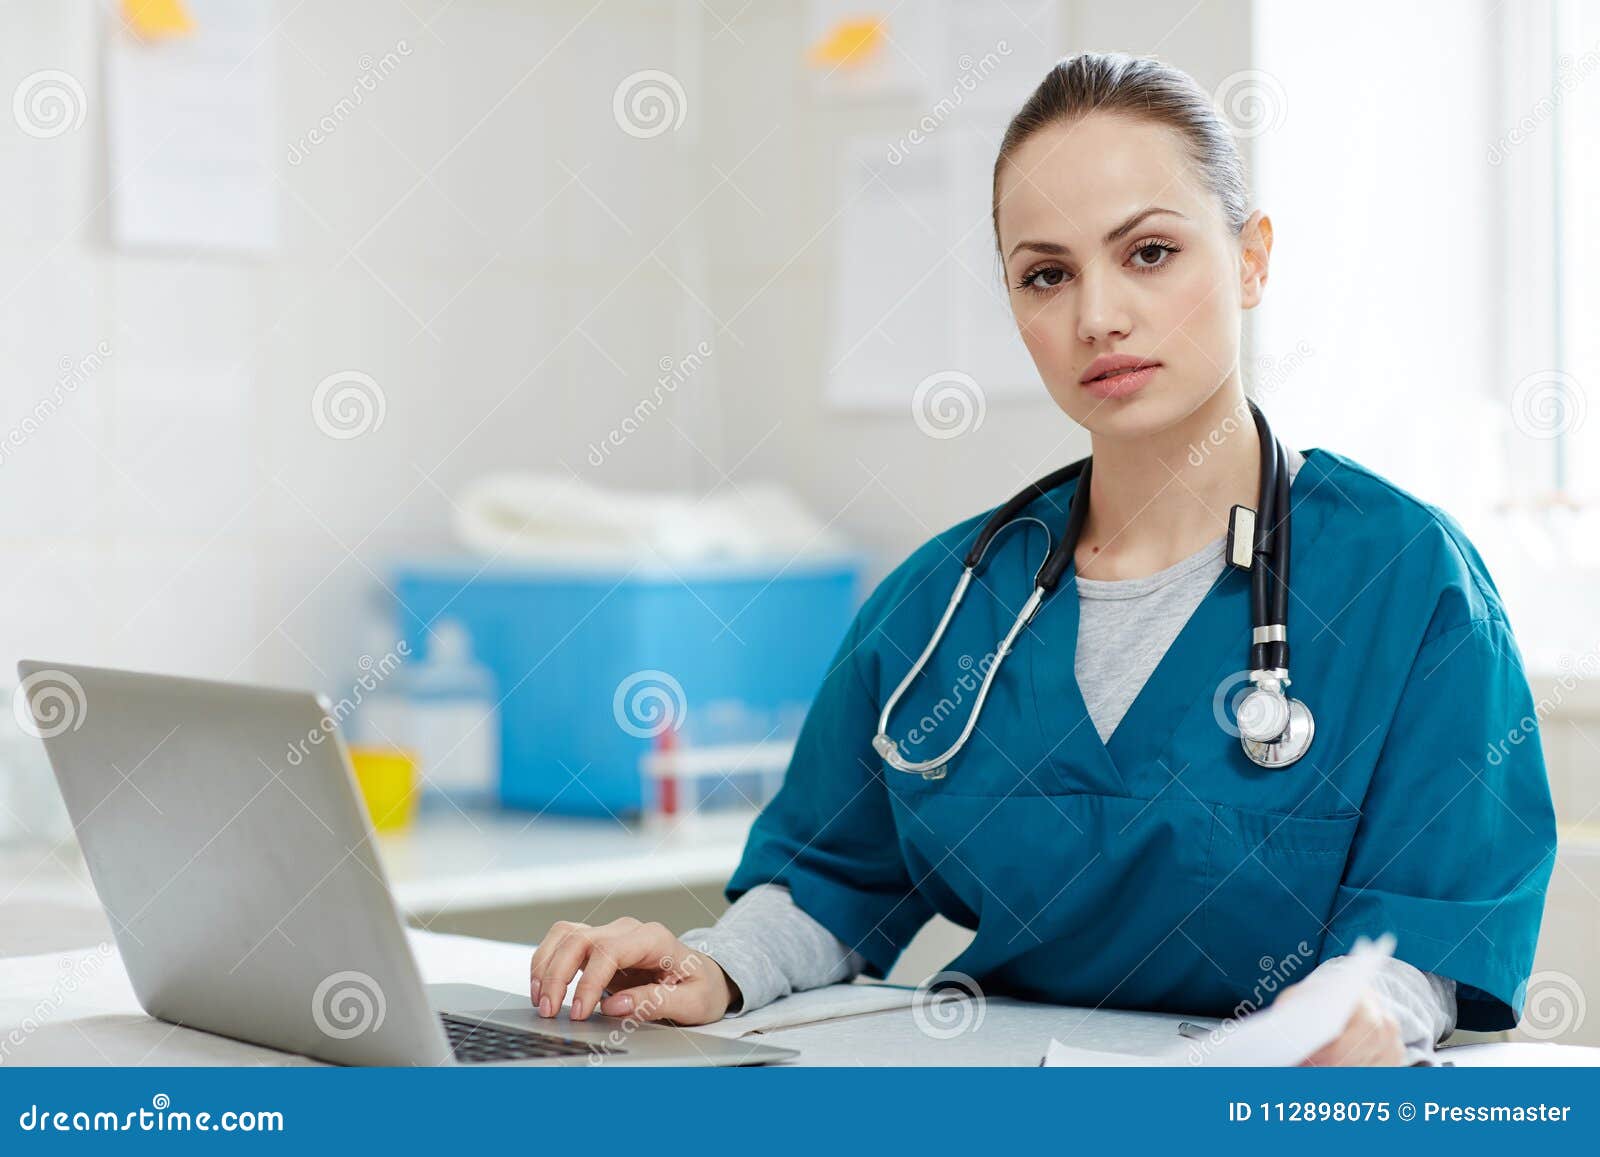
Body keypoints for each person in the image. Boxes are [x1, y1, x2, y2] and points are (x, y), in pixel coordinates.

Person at [527, 51, 1556, 1065]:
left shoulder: (1407, 581)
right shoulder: (943, 603)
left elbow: (1426, 936)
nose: (1096, 314)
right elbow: (831, 878)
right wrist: (711, 965)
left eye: (1149, 252)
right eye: (1046, 273)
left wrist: (1359, 1018)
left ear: (1249, 257)